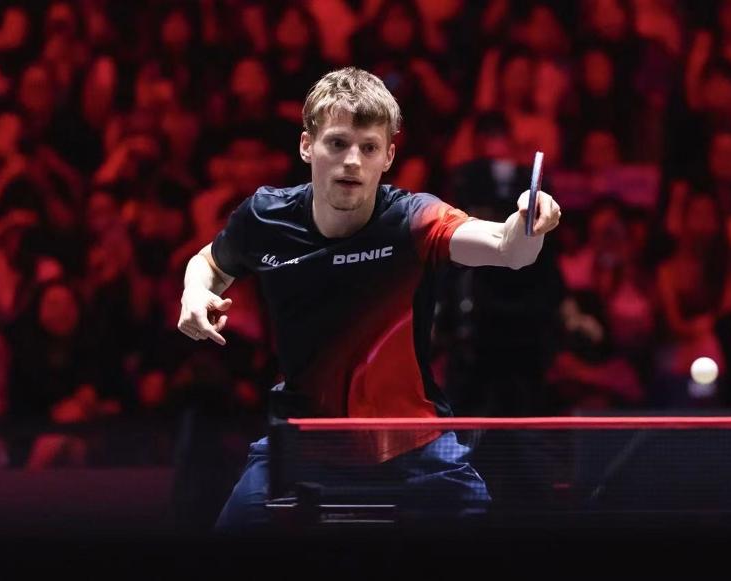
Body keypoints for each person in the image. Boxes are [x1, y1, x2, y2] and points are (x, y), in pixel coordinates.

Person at [176, 67, 561, 532]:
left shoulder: (414, 221)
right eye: (338, 143)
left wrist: (527, 226)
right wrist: (196, 291)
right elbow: (211, 262)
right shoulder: (265, 217)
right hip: (304, 442)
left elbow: (507, 249)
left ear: (388, 156)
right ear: (306, 146)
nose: (353, 161)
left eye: (369, 147)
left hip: (414, 448)